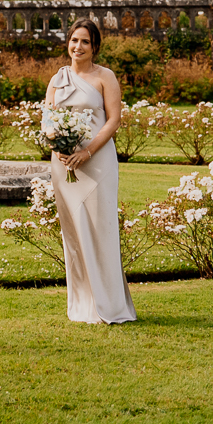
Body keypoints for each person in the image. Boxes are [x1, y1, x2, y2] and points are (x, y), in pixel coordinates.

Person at [43, 18, 136, 325]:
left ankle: (110, 306)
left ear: (95, 46)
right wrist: (57, 144)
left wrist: (87, 151)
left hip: (97, 162)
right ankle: (83, 304)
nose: (78, 47)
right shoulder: (58, 79)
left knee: (101, 229)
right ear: (67, 44)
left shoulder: (105, 76)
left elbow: (113, 120)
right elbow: (48, 119)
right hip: (64, 164)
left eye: (85, 41)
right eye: (74, 40)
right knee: (74, 233)